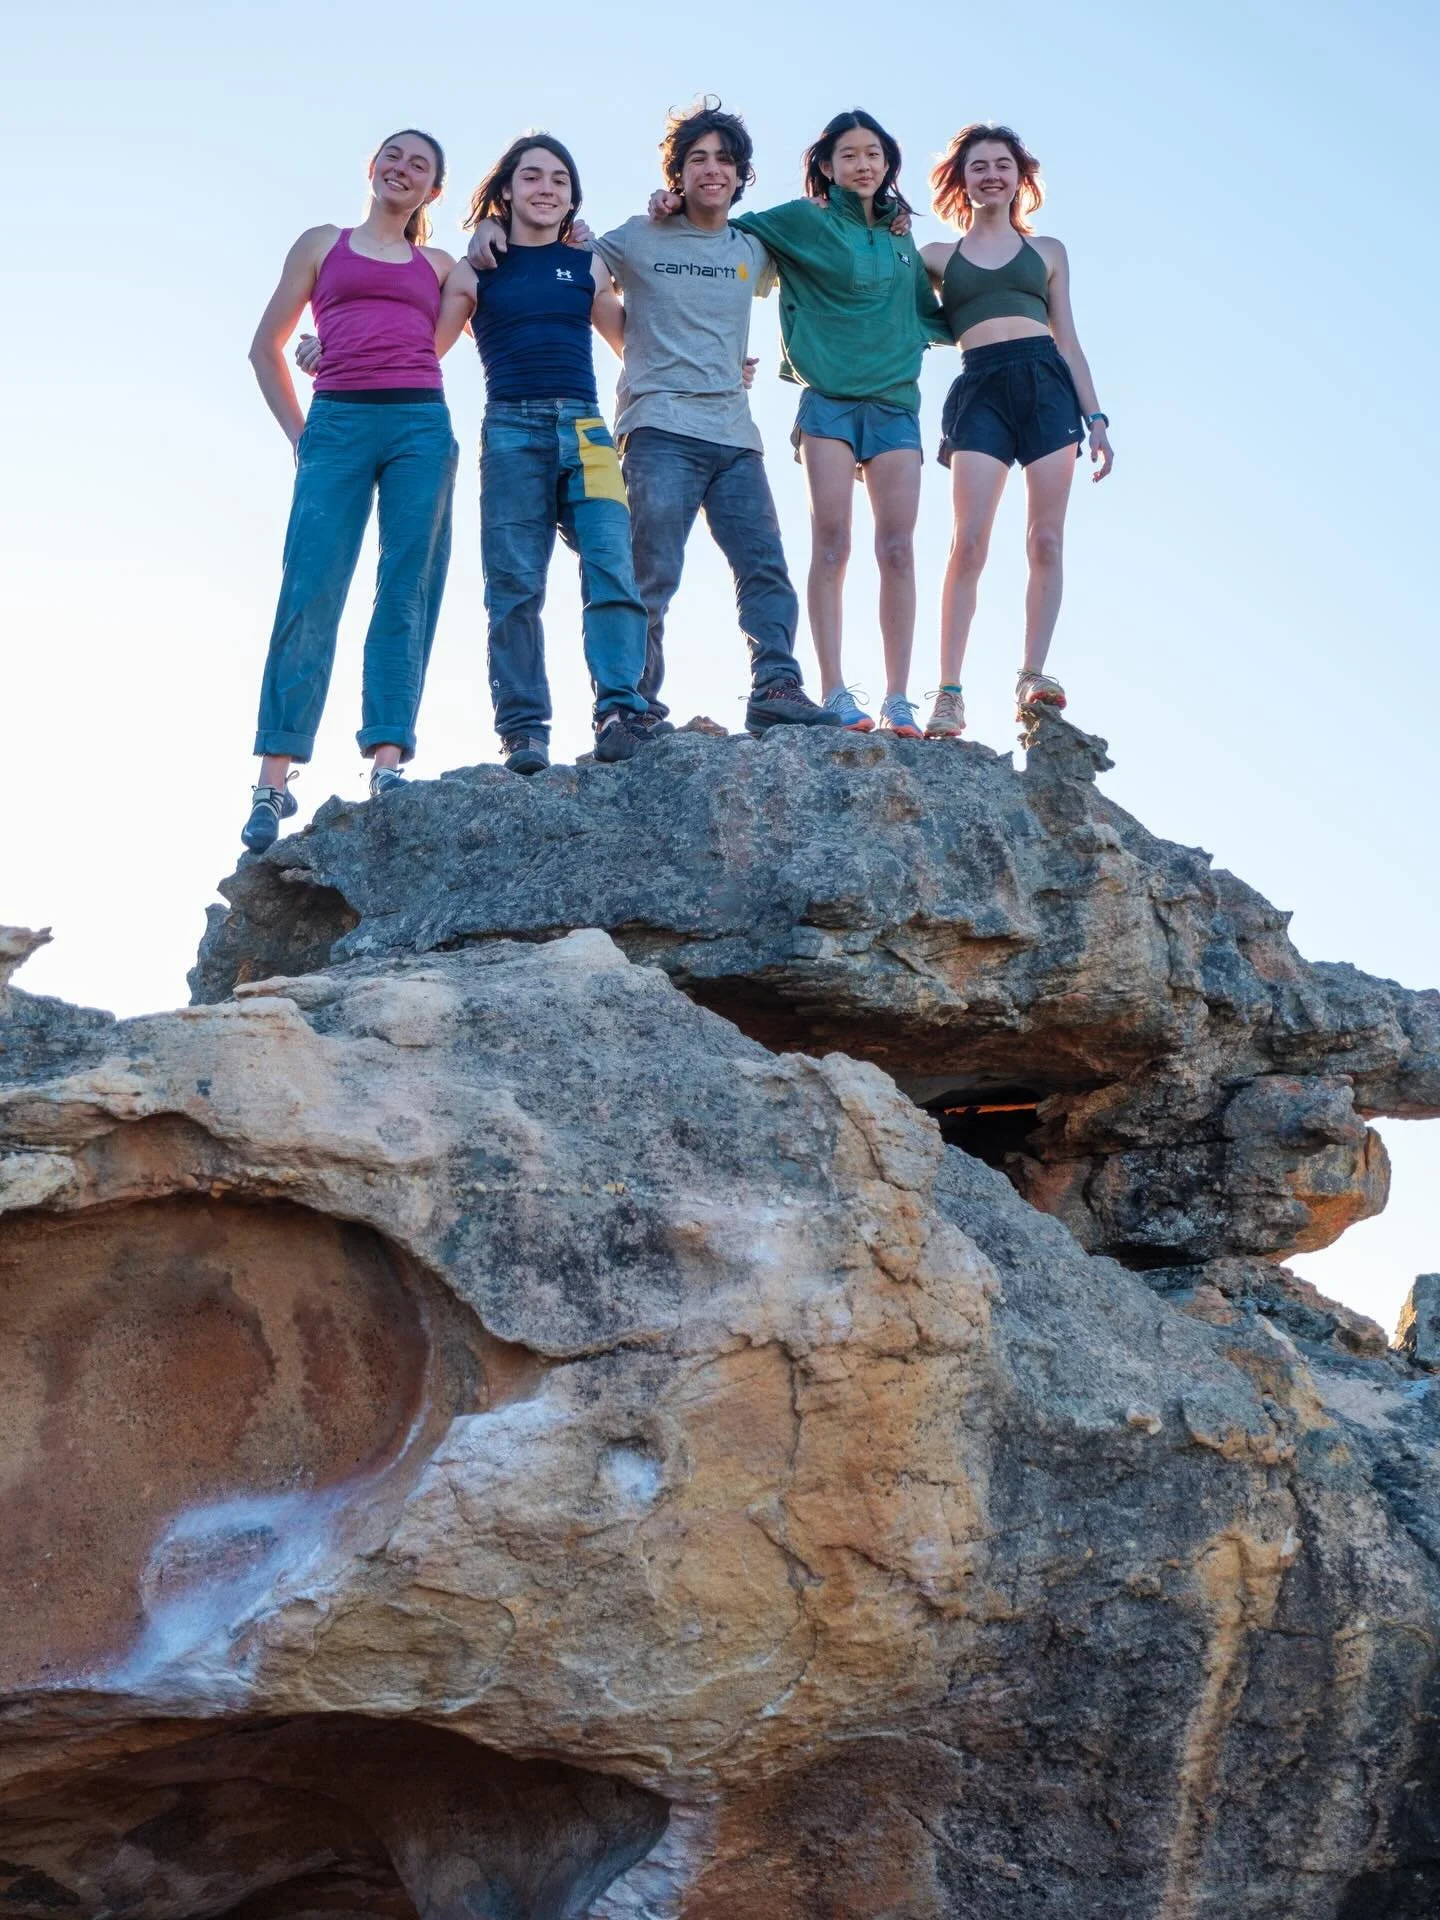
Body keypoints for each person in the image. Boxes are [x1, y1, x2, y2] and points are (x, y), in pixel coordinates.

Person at [472, 102, 840, 740]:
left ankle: (776, 686)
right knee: (648, 573)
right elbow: (556, 266)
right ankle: (632, 707)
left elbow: (825, 243)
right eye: (697, 159)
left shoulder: (752, 247)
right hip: (656, 429)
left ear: (741, 174)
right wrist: (489, 227)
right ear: (677, 174)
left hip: (735, 433)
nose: (712, 169)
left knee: (764, 565)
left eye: (724, 159)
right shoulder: (638, 236)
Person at [653, 109, 948, 737]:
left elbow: (931, 316)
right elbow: (724, 227)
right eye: (849, 155)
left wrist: (1001, 303)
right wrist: (671, 203)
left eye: (873, 154)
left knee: (897, 549)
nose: (862, 164)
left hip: (896, 404)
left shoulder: (902, 237)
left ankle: (899, 698)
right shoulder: (802, 220)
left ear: (887, 163)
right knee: (832, 543)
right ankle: (836, 691)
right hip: (828, 403)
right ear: (827, 167)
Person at [241, 129, 470, 853]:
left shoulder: (441, 265)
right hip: (336, 425)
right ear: (372, 168)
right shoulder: (322, 244)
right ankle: (272, 779)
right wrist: (301, 436)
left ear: (434, 190)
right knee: (309, 585)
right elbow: (265, 348)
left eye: (420, 166)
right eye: (393, 157)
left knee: (407, 585)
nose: (403, 169)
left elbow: (468, 309)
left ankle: (387, 760)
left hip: (418, 425)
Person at [446, 134, 652, 775]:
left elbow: (636, 345)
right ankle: (523, 732)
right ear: (506, 190)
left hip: (587, 431)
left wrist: (721, 365)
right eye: (532, 176)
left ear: (572, 197)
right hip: (511, 432)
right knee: (513, 586)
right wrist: (333, 351)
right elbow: (421, 346)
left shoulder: (588, 265)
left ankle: (619, 712)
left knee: (613, 564)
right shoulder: (473, 269)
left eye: (560, 179)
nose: (546, 188)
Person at [918, 124, 1113, 741]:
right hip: (980, 389)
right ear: (962, 179)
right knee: (969, 542)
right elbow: (892, 308)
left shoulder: (1048, 251)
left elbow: (1069, 342)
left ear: (1019, 176)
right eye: (978, 166)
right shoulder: (935, 257)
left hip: (1047, 386)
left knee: (1045, 539)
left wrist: (1097, 419)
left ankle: (1031, 676)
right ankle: (949, 691)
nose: (991, 175)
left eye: (1002, 165)